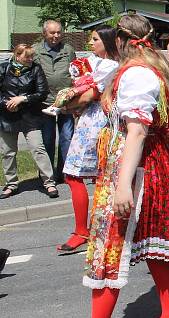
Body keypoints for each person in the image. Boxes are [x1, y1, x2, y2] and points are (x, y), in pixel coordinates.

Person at [54, 14, 169, 318]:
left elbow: (137, 132)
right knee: (154, 240)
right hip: (151, 165)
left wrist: (121, 186)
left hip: (134, 168)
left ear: (120, 40)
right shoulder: (148, 69)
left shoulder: (136, 74)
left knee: (108, 244)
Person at [57, 27, 119, 253]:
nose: (90, 43)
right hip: (88, 118)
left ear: (108, 42)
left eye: (95, 39)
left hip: (98, 120)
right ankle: (86, 228)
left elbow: (91, 94)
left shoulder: (112, 65)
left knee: (78, 174)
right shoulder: (96, 61)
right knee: (81, 175)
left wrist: (64, 104)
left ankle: (83, 230)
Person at [0, 44, 56, 199]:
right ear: (17, 56)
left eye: (32, 56)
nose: (31, 59)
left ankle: (49, 183)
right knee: (8, 152)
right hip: (7, 117)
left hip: (30, 117)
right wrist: (6, 103)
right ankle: (11, 184)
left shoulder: (35, 69)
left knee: (38, 148)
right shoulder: (4, 68)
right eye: (27, 56)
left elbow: (42, 92)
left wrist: (22, 99)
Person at [34, 20, 76, 183]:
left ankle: (66, 173)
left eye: (59, 32)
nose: (56, 36)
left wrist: (74, 100)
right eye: (52, 33)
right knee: (47, 139)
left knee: (67, 138)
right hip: (45, 103)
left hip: (66, 103)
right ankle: (48, 175)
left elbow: (76, 74)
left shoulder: (68, 50)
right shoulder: (36, 51)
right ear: (45, 33)